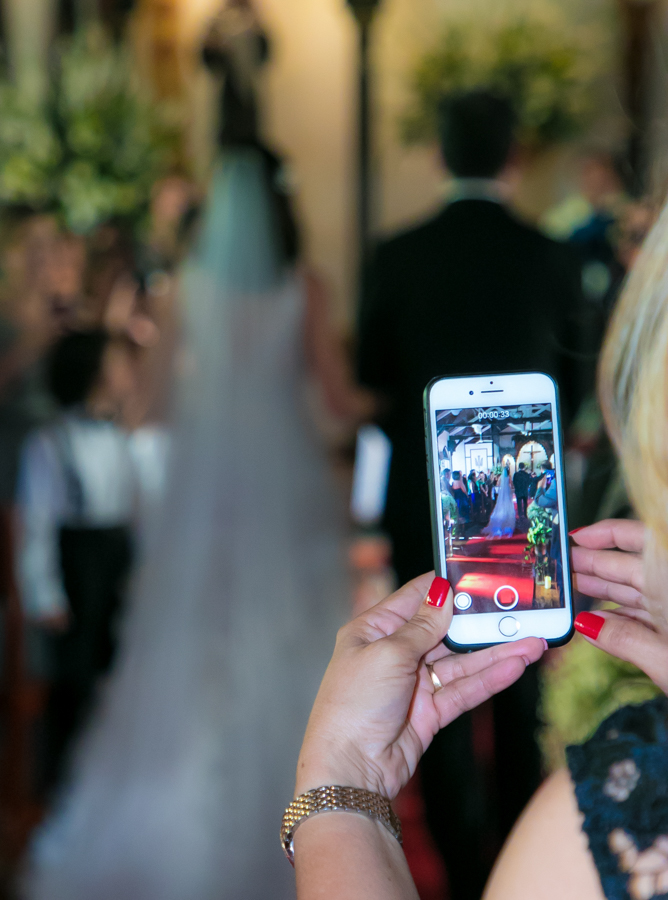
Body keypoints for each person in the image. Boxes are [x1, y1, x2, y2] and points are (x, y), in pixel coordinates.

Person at [25, 39, 353, 900]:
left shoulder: (184, 294)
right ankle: (304, 818)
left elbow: (147, 410)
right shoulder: (306, 289)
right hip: (287, 489)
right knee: (285, 646)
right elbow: (339, 401)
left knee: (197, 649)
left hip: (210, 496)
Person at [357, 88, 585, 897]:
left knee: (437, 680)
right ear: (514, 157)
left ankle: (458, 873)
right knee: (520, 679)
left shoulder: (397, 254)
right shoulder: (549, 255)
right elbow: (576, 384)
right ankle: (526, 856)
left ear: (440, 154)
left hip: (427, 505)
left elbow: (372, 382)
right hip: (529, 504)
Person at [16, 329, 137, 793]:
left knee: (115, 671)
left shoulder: (121, 435)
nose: (128, 370)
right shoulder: (50, 443)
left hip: (116, 562)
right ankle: (62, 783)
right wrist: (44, 593)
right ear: (94, 374)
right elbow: (38, 525)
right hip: (77, 569)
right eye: (118, 361)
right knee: (76, 681)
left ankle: (111, 778)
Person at [483, 465, 516, 538]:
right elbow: (511, 485)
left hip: (502, 493)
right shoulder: (509, 477)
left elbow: (498, 484)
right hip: (507, 493)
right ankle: (506, 524)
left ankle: (499, 525)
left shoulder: (500, 477)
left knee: (500, 505)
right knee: (507, 506)